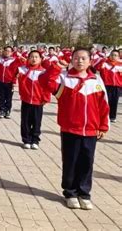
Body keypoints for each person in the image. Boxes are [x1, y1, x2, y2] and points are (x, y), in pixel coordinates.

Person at [39, 48, 109, 210]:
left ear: (90, 61)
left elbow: (104, 105)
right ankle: (70, 193)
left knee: (87, 162)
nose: (80, 61)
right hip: (70, 129)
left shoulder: (96, 81)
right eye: (76, 58)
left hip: (91, 131)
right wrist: (56, 67)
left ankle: (84, 193)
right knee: (70, 162)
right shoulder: (64, 79)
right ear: (71, 60)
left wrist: (103, 126)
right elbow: (44, 81)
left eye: (83, 58)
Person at [17, 50, 51, 149]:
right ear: (28, 58)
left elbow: (47, 87)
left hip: (38, 101)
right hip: (26, 100)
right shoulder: (23, 69)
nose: (34, 59)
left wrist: (45, 98)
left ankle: (35, 140)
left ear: (40, 59)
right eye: (31, 56)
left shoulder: (44, 72)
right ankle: (26, 140)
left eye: (36, 57)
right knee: (25, 121)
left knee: (36, 121)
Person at [94, 49, 121, 123]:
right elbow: (96, 68)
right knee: (106, 101)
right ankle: (105, 116)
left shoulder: (120, 65)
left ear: (118, 57)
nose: (113, 56)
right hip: (106, 85)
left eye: (115, 55)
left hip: (117, 87)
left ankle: (113, 117)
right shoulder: (105, 63)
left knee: (114, 102)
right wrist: (102, 61)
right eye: (112, 55)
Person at [0, 46, 20, 118]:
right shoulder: (0, 60)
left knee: (9, 97)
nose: (7, 52)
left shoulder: (14, 61)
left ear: (12, 52)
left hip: (10, 82)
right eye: (6, 50)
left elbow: (16, 73)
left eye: (9, 51)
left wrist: (14, 82)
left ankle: (8, 110)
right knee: (1, 97)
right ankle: (2, 111)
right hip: (1, 81)